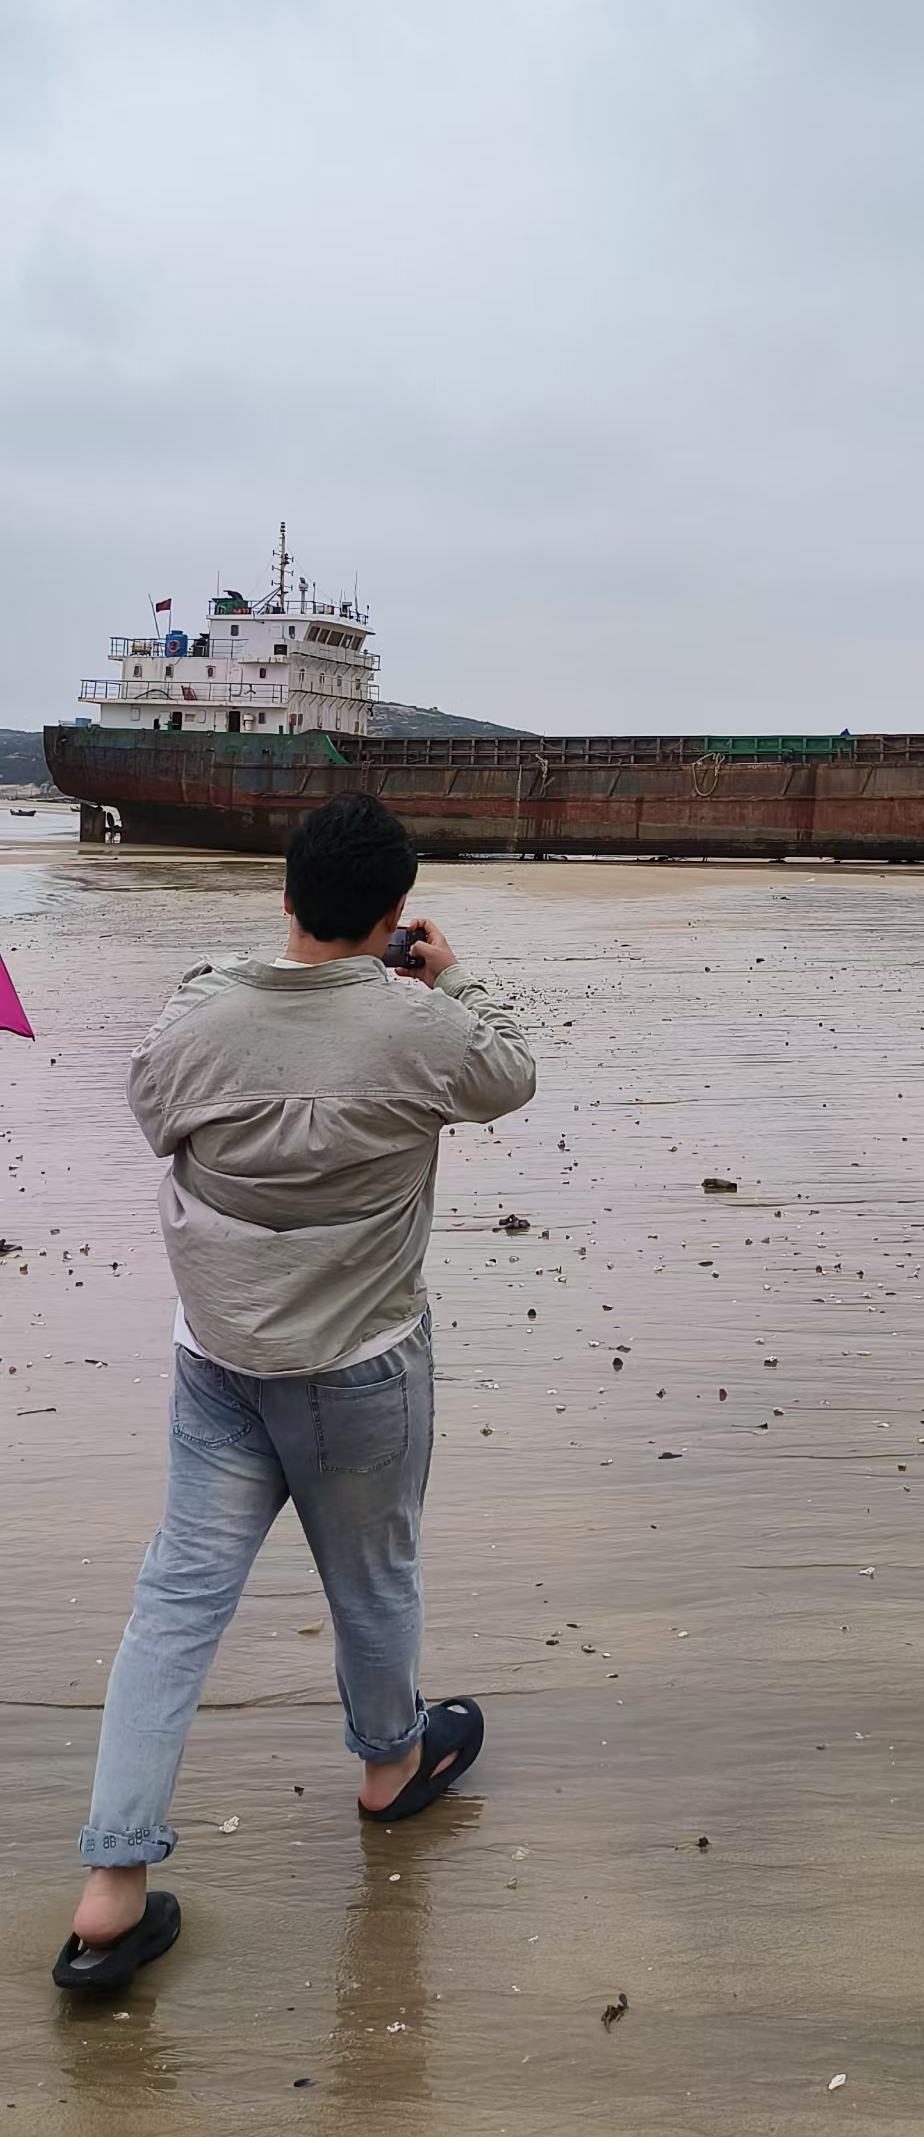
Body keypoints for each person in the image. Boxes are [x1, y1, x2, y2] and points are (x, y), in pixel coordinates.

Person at [54, 793, 535, 1993]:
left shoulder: (196, 1012)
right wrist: (448, 976)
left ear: (285, 893)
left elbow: (156, 1109)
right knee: (372, 1576)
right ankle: (388, 1769)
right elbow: (508, 1075)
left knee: (175, 1601)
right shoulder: (415, 1023)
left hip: (217, 1359)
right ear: (390, 913)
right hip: (359, 1361)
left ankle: (111, 1885)